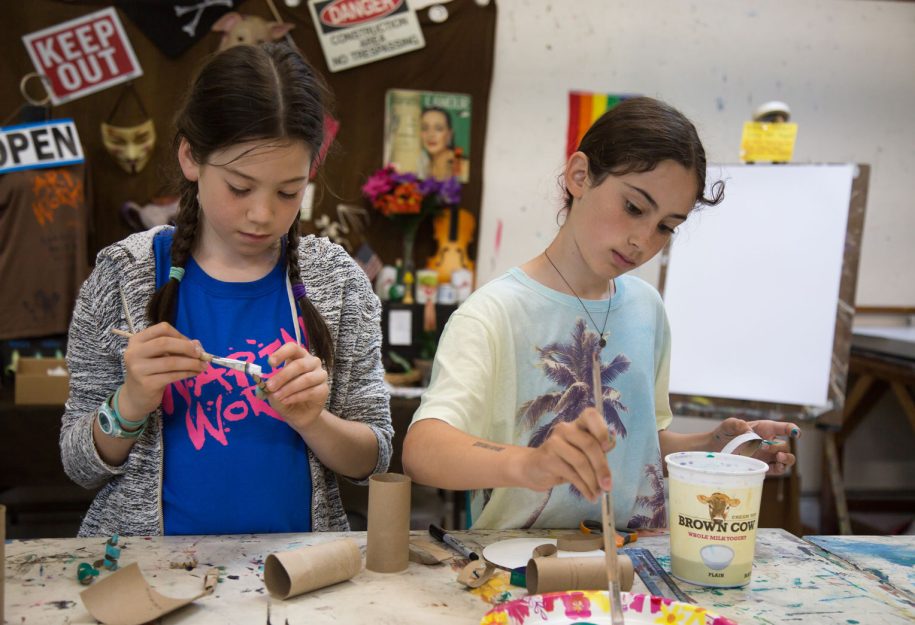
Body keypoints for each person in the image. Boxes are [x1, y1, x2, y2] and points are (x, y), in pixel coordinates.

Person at [402, 97, 798, 530]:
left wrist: (716, 447)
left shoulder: (646, 307)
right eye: (634, 208)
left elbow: (639, 445)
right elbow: (423, 450)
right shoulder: (494, 312)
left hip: (638, 558)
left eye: (666, 226)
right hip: (524, 564)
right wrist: (530, 463)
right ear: (579, 176)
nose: (643, 240)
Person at [60, 43, 393, 537]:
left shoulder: (337, 281)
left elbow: (373, 460)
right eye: (239, 187)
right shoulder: (123, 274)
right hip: (148, 571)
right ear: (191, 157)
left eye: (288, 192)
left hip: (297, 570)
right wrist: (129, 403)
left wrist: (313, 420)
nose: (263, 214)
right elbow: (78, 465)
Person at [418, 106, 469, 182]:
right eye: (425, 128)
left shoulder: (462, 165)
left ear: (449, 134)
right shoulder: (422, 165)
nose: (431, 134)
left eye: (438, 128)